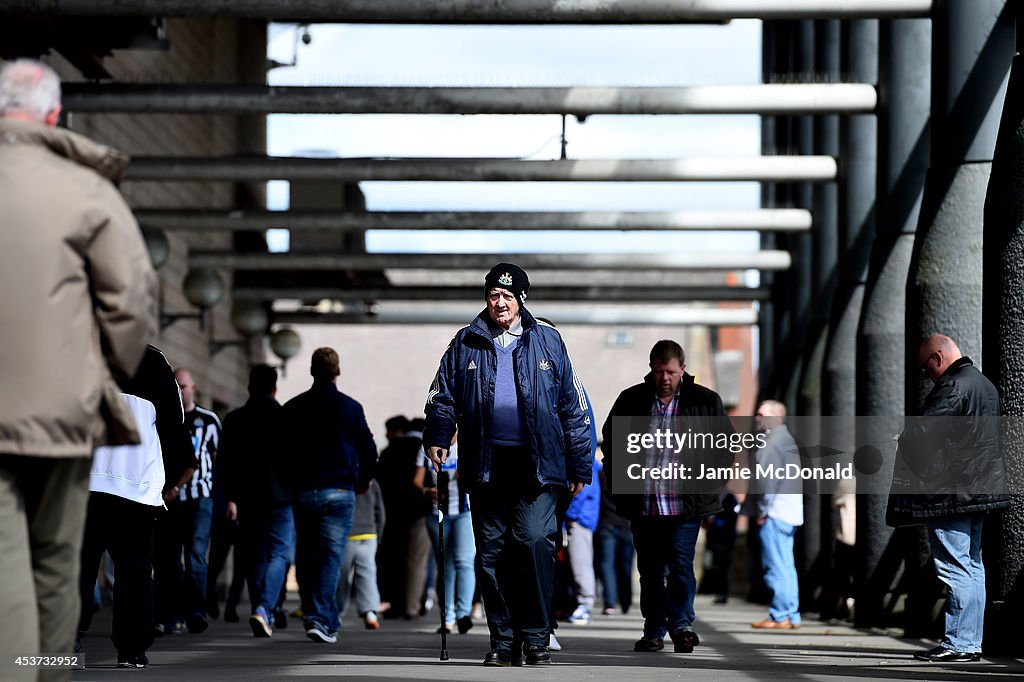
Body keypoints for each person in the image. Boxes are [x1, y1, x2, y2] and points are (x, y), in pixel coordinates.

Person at [0, 58, 157, 679]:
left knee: (5, 558)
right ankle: (42, 669)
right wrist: (108, 375)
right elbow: (131, 300)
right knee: (57, 560)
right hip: (61, 408)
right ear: (55, 115)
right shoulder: (88, 191)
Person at [423, 262, 593, 667]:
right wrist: (437, 436)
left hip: (538, 464)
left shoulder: (548, 341)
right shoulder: (465, 343)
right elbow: (441, 398)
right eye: (493, 295)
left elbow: (574, 406)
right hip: (486, 464)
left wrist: (580, 464)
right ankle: (503, 640)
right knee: (492, 553)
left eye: (507, 296)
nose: (499, 303)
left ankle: (536, 637)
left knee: (534, 543)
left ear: (521, 300)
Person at [601, 340, 732, 654]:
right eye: (659, 372)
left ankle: (682, 625)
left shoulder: (705, 401)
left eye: (671, 372)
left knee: (681, 566)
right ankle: (654, 630)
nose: (665, 378)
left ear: (682, 369)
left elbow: (724, 449)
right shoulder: (631, 400)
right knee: (650, 570)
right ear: (651, 369)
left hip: (685, 506)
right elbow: (612, 444)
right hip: (645, 505)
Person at [888, 334, 1009, 663]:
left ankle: (958, 642)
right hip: (978, 490)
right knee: (972, 567)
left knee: (955, 568)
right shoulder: (985, 385)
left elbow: (926, 432)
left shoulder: (953, 386)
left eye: (925, 368)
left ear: (937, 358)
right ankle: (970, 642)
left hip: (951, 493)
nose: (926, 374)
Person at [77, 346, 194, 668]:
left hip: (86, 481)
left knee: (80, 566)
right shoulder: (153, 360)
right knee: (135, 571)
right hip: (137, 487)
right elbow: (175, 422)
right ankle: (131, 650)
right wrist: (169, 480)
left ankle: (68, 637)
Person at [284, 347, 377, 644]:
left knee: (307, 555)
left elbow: (278, 452)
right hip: (339, 491)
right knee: (329, 557)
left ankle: (316, 613)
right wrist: (363, 481)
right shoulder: (350, 408)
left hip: (302, 491)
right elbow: (369, 451)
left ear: (312, 371)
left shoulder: (293, 408)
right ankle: (323, 619)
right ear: (338, 372)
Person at [216, 364, 294, 638]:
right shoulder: (285, 417)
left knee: (255, 556)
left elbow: (223, 464)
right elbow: (296, 461)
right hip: (280, 497)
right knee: (279, 554)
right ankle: (263, 608)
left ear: (249, 386)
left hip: (246, 499)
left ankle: (262, 607)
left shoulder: (234, 419)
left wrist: (229, 498)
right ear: (275, 388)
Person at [155, 369, 220, 635]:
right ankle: (172, 613)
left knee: (195, 554)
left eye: (184, 386)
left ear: (194, 388)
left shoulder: (209, 420)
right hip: (171, 498)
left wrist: (224, 497)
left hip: (200, 496)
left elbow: (218, 461)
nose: (180, 391)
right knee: (170, 558)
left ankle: (196, 611)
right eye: (176, 386)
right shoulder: (166, 419)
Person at [748, 400, 803, 630]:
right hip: (788, 512)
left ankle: (780, 615)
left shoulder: (772, 442)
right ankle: (790, 614)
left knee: (775, 566)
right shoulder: (787, 440)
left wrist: (762, 511)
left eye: (761, 414)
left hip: (775, 512)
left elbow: (767, 480)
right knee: (786, 565)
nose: (757, 418)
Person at [418, 433, 477, 635]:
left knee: (464, 561)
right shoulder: (427, 446)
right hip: (438, 513)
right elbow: (417, 480)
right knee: (445, 564)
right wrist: (428, 490)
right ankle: (447, 617)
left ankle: (463, 614)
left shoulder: (468, 443)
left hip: (464, 511)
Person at [336, 477, 385, 630]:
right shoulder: (373, 482)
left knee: (341, 576)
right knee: (367, 574)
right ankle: (370, 611)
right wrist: (379, 534)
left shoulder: (343, 481)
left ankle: (337, 612)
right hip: (369, 534)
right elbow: (380, 511)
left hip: (348, 535)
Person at [565, 456, 602, 625]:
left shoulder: (584, 462)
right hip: (581, 518)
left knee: (581, 562)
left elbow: (581, 492)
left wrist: (571, 515)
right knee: (579, 562)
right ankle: (582, 603)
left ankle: (585, 605)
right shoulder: (589, 463)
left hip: (579, 519)